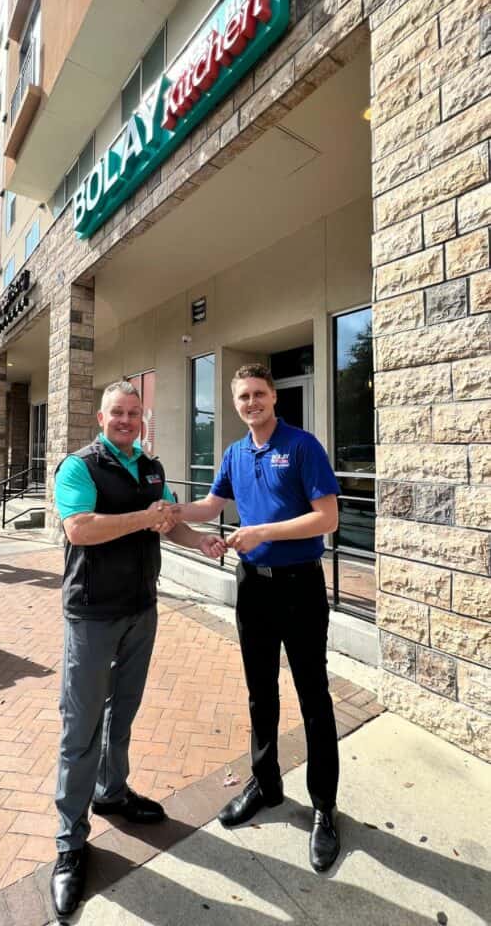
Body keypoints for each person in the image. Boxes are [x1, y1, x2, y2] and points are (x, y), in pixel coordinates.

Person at [51, 380, 226, 919]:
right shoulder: (78, 467)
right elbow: (79, 529)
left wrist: (203, 541)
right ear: (101, 418)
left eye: (133, 413)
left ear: (141, 419)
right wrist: (145, 518)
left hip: (140, 610)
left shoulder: (150, 467)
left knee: (121, 712)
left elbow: (169, 524)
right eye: (117, 413)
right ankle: (69, 842)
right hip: (91, 614)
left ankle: (113, 791)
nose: (126, 420)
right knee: (80, 726)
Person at [174, 363, 341, 873]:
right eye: (243, 397)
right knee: (260, 691)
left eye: (259, 394)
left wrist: (262, 530)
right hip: (253, 588)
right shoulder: (234, 452)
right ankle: (266, 785)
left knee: (313, 693)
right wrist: (168, 512)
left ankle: (324, 808)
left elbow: (327, 518)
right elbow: (210, 505)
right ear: (235, 403)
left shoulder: (303, 445)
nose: (251, 403)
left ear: (273, 397)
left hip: (301, 586)